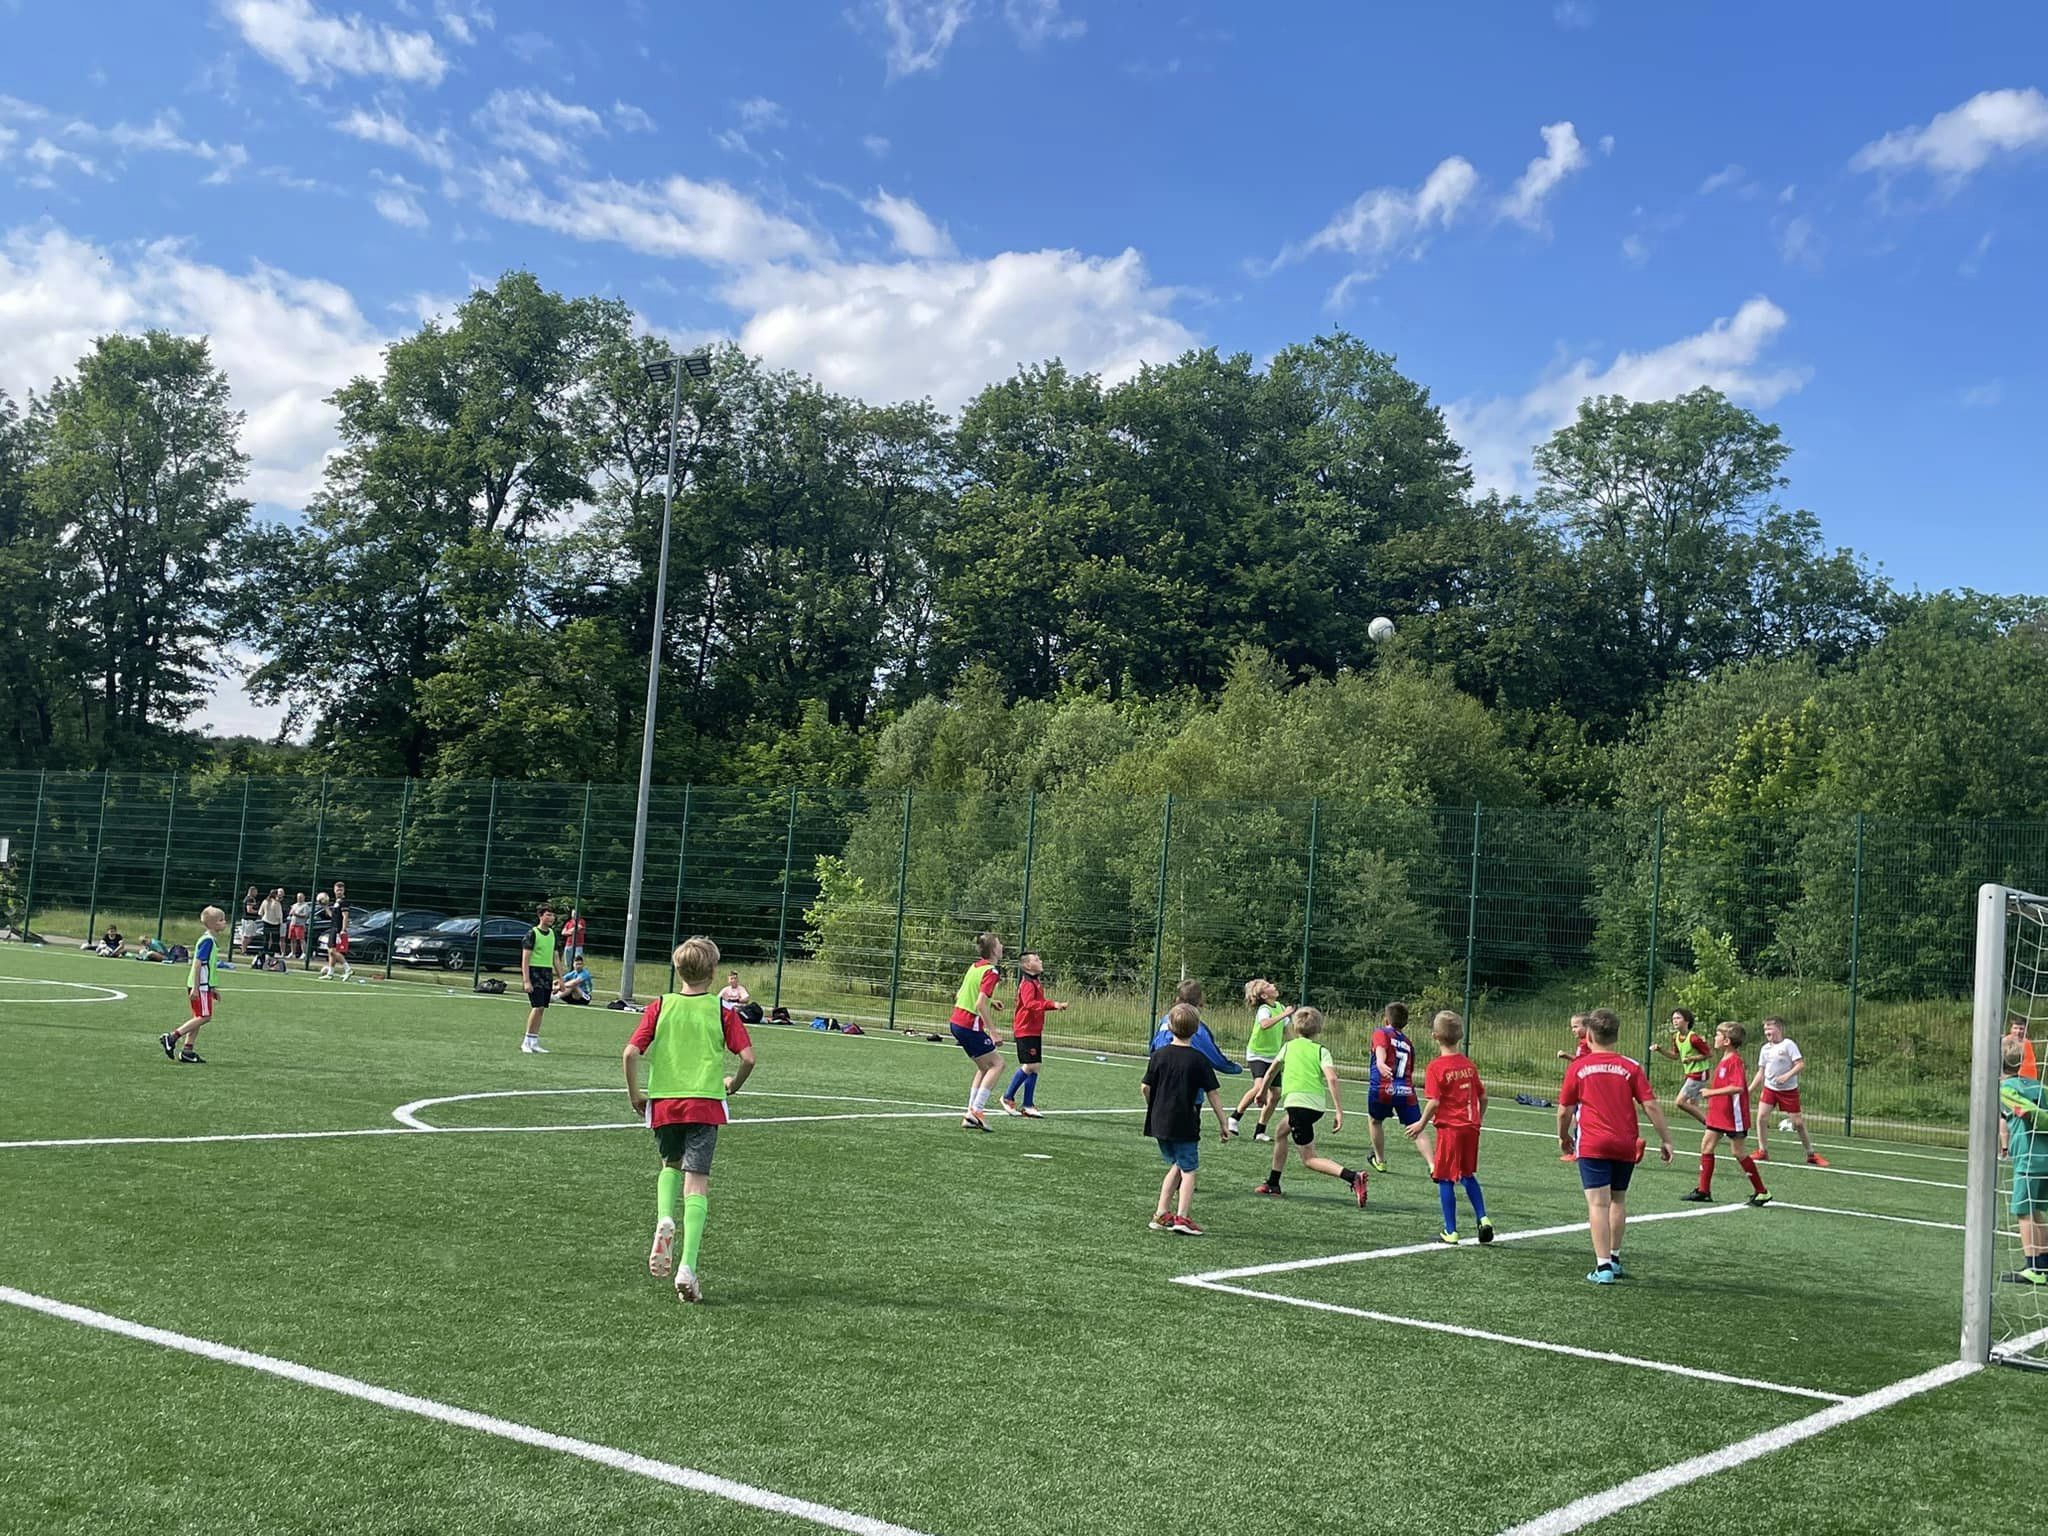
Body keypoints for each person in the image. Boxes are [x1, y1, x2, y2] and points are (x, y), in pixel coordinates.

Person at [623, 934, 757, 1304]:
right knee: (697, 1182)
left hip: (665, 1102)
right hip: (704, 1104)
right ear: (713, 972)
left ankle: (665, 1217)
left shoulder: (660, 1005)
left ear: (677, 969)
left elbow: (630, 1053)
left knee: (670, 1163)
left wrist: (636, 1096)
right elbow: (748, 1058)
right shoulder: (721, 1011)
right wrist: (733, 1085)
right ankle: (687, 1267)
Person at [1558, 1006, 1675, 1283]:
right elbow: (1651, 1105)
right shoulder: (1631, 1066)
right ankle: (1615, 1257)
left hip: (1594, 1144)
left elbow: (1564, 1110)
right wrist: (1666, 1139)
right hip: (1625, 1143)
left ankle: (1603, 1268)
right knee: (1618, 1199)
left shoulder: (1578, 1067)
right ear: (1616, 1036)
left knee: (1598, 1204)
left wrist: (1563, 1137)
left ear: (1588, 1036)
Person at [1253, 1008, 1368, 1206]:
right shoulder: (1322, 1051)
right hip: (1315, 1106)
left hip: (1297, 1105)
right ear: (1319, 1029)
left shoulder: (1288, 1047)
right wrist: (1338, 1111)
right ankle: (1273, 1183)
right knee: (1281, 1131)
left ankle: (1353, 1177)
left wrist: (1262, 1091)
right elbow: (1332, 1078)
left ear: (1294, 1027)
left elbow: (1271, 1071)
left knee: (1309, 1159)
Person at [1142, 1002, 1232, 1235]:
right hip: (1184, 1122)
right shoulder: (1198, 1060)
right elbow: (1212, 1093)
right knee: (1189, 1170)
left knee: (1178, 1164)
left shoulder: (1158, 1055)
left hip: (1159, 1122)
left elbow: (1145, 1087)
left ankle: (1161, 1214)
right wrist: (1224, 1122)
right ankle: (1182, 1217)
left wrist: (1154, 1107)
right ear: (1197, 1029)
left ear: (1169, 1027)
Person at [1411, 1009, 1493, 1245]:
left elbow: (1434, 1102)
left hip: (1450, 1130)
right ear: (1460, 1036)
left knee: (1445, 1177)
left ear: (1435, 1036)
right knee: (1467, 1174)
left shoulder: (1436, 1067)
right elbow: (1483, 1097)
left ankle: (1451, 1231)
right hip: (1471, 1127)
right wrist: (1478, 1119)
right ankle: (1483, 1218)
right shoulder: (1468, 1065)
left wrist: (1420, 1124)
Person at [1681, 1021, 1772, 1207]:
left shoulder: (1734, 1061)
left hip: (1733, 1116)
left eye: (1718, 1035)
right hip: (1719, 1114)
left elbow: (1738, 1087)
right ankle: (1703, 1190)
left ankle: (1762, 1192)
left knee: (1738, 1152)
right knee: (1706, 1146)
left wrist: (1710, 1093)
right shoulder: (1724, 1060)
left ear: (1727, 1041)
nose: (1714, 1038)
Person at [2000, 1039, 2048, 1286]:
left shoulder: (2006, 1089)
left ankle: (2033, 1268)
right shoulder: (2039, 1086)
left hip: (2028, 1158)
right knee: (2036, 1210)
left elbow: (2024, 1112)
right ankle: (2044, 1264)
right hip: (2045, 1156)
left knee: (2023, 1211)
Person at [1751, 1015, 1828, 1166]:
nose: (1766, 1032)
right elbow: (1761, 1072)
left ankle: (1811, 1154)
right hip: (1770, 1089)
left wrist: (1787, 1076)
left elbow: (1800, 1064)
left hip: (1788, 1091)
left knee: (1798, 1123)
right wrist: (1749, 1090)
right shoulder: (1765, 1049)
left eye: (1769, 1028)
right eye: (1765, 1029)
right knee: (1761, 1118)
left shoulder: (1788, 1044)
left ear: (1779, 1029)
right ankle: (1762, 1151)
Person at [950, 932, 1007, 1132]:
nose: (1002, 946)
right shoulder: (992, 972)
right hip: (969, 1025)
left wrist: (992, 1001)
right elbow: (979, 1004)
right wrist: (993, 1032)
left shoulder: (975, 967)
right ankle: (977, 1111)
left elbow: (961, 994)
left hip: (956, 1022)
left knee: (984, 1067)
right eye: (999, 944)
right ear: (993, 950)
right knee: (998, 1064)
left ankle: (970, 1113)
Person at [1367, 1001, 1432, 1175]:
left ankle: (1380, 1160)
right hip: (1405, 1090)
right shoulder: (1408, 1043)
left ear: (1386, 1020)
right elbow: (1409, 1069)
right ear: (1405, 1023)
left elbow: (1380, 1048)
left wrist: (1381, 1062)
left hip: (1383, 1087)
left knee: (1375, 1121)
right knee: (1417, 1127)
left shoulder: (1381, 1032)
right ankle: (1433, 1165)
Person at [1001, 950, 1067, 1118]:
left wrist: (1054, 1005)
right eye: (1037, 960)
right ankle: (1007, 1097)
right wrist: (1053, 1004)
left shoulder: (1035, 981)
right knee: (1030, 1066)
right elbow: (1030, 1004)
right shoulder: (1027, 984)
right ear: (1028, 965)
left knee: (1035, 1066)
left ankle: (1028, 1105)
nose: (1041, 961)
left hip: (1034, 1030)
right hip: (1025, 1029)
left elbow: (1037, 1003)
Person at [159, 906, 228, 1065]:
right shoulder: (207, 941)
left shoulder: (210, 940)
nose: (225, 922)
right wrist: (197, 988)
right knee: (205, 1016)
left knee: (198, 1017)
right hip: (200, 986)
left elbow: (208, 967)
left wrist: (212, 988)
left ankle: (187, 1051)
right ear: (212, 924)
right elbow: (198, 964)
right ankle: (172, 1037)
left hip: (204, 986)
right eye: (221, 920)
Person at [1229, 978, 1294, 1143]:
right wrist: (1285, 1014)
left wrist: (1297, 1047)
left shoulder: (1280, 1007)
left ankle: (1260, 1131)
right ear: (1264, 995)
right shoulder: (1264, 1009)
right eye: (1268, 986)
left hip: (1274, 1056)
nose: (1273, 985)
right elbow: (1265, 1025)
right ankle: (1234, 1118)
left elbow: (1289, 1034)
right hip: (1257, 1054)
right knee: (1259, 1087)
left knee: (1276, 1093)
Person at [1650, 1007, 1712, 1128]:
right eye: (1673, 1018)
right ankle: (1713, 1126)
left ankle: (1712, 1126)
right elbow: (1675, 1056)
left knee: (1680, 1102)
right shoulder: (1676, 1037)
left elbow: (1708, 1054)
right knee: (1692, 1105)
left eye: (1678, 1018)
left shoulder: (1694, 1038)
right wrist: (1660, 1049)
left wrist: (1691, 1059)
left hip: (1699, 1073)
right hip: (1690, 1073)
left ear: (1687, 1021)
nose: (1675, 1021)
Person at [520, 904, 559, 1054]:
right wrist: (526, 980)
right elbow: (525, 959)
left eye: (552, 915)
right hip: (534, 972)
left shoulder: (552, 934)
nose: (551, 918)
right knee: (537, 1007)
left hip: (546, 973)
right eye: (548, 915)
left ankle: (534, 1041)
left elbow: (555, 957)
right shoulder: (532, 934)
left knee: (542, 1008)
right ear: (540, 916)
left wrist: (561, 978)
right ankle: (526, 1041)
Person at [1555, 1012, 1594, 1161]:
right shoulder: (1586, 1042)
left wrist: (1567, 1056)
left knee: (1579, 1117)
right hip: (1588, 1084)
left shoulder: (1586, 1043)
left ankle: (1578, 1151)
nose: (1573, 1030)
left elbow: (1583, 1062)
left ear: (1587, 1026)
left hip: (1584, 1085)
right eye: (1572, 1027)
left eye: (1576, 1026)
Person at [320, 881, 352, 980]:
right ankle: (330, 973)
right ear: (334, 890)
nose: (339, 891)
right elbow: (332, 916)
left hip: (338, 929)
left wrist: (343, 929)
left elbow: (345, 916)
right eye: (337, 890)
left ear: (344, 891)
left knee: (333, 951)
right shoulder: (336, 902)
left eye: (341, 890)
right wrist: (325, 906)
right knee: (330, 952)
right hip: (333, 928)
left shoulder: (343, 902)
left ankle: (348, 969)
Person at [2008, 1016, 2040, 1082]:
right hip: (2012, 1079)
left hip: (2027, 1080)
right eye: (2015, 1028)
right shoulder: (2005, 1042)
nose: (2018, 1031)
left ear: (2025, 1030)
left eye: (2021, 1029)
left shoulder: (2027, 1043)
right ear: (2011, 1029)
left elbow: (2030, 1067)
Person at [259, 887, 285, 964]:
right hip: (275, 923)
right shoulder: (276, 903)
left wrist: (264, 917)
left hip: (266, 921)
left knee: (266, 938)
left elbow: (260, 912)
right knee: (275, 939)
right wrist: (281, 923)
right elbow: (278, 915)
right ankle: (271, 953)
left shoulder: (265, 901)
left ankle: (264, 952)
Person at [288, 892, 310, 959]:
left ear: (303, 898)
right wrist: (291, 913)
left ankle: (304, 953)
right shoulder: (294, 905)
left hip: (300, 925)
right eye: (298, 897)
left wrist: (296, 914)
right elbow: (291, 913)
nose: (299, 898)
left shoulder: (305, 906)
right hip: (293, 923)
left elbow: (305, 915)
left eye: (300, 897)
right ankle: (293, 953)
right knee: (292, 939)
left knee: (301, 939)